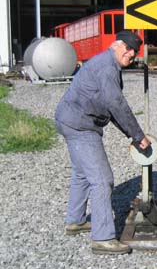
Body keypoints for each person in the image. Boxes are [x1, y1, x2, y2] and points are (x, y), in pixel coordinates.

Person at [55, 30, 150, 255]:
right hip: (80, 125)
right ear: (117, 46)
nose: (131, 55)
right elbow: (117, 105)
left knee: (81, 173)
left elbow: (111, 109)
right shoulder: (107, 68)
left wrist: (133, 136)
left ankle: (75, 221)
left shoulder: (106, 64)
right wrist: (138, 136)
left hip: (70, 119)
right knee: (102, 180)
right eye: (128, 50)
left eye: (134, 52)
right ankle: (103, 238)